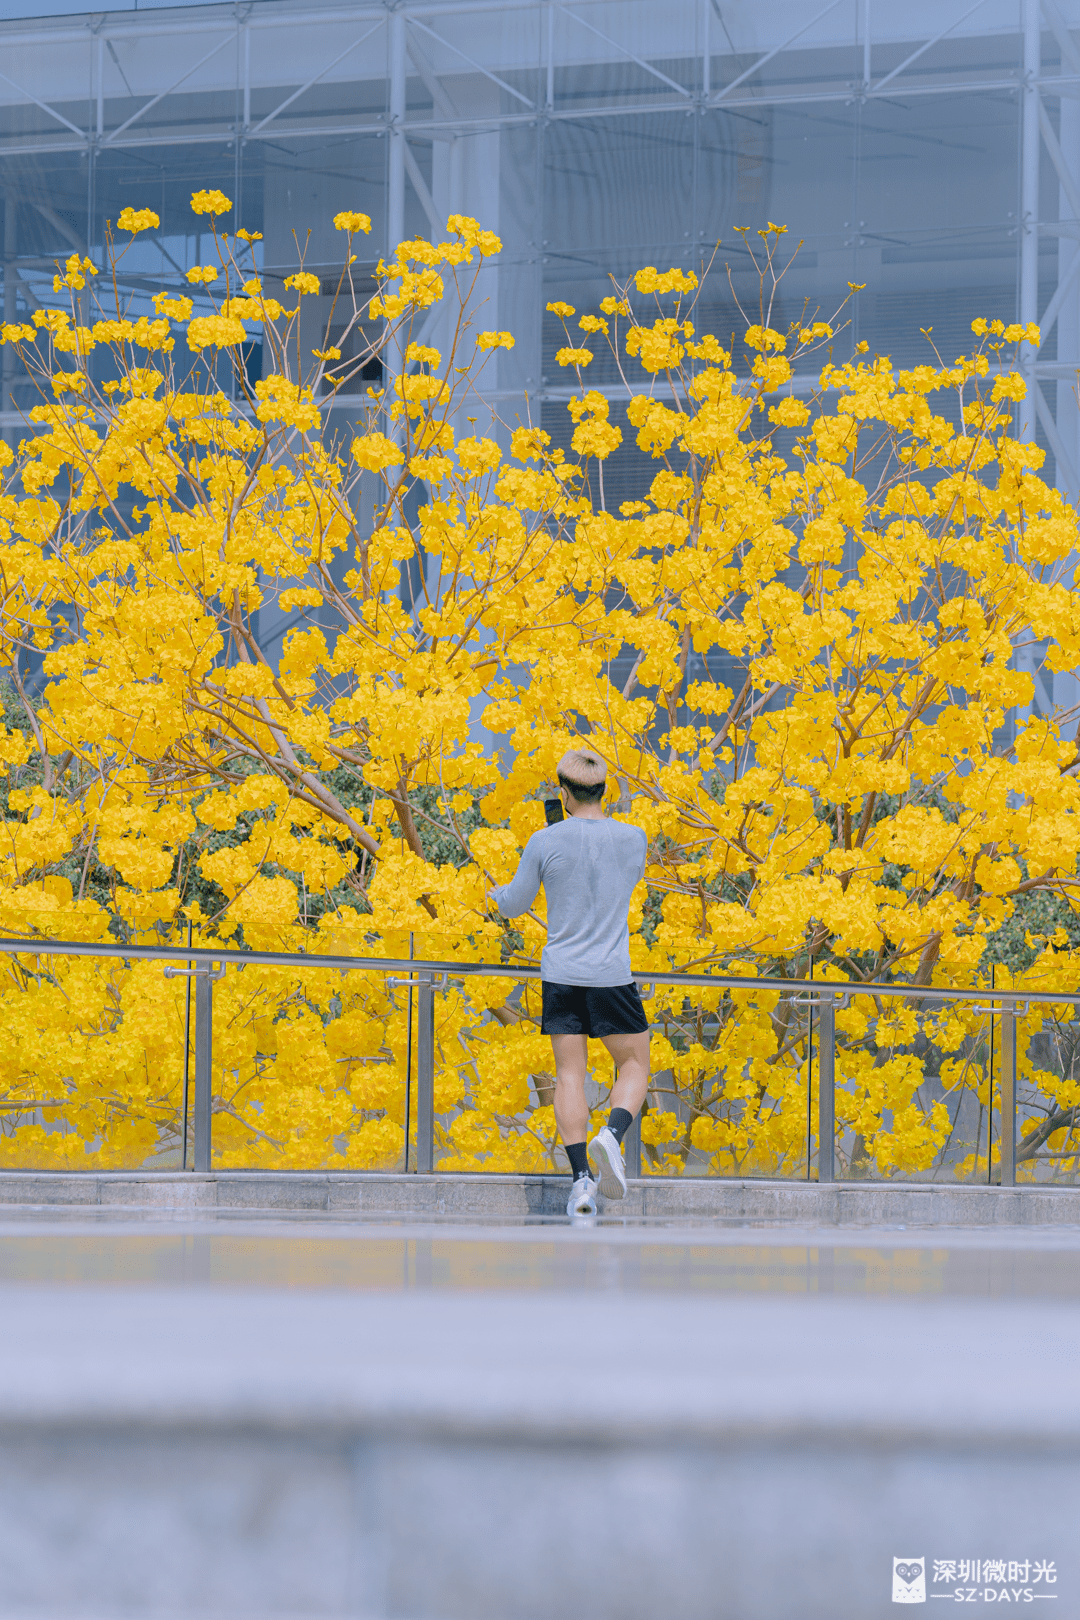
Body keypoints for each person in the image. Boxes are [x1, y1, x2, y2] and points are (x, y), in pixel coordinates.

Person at [488, 749, 650, 1217]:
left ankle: (581, 1181)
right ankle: (611, 1135)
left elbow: (514, 905)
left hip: (561, 974)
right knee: (635, 1064)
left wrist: (495, 895)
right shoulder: (634, 838)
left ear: (562, 792)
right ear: (606, 790)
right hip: (611, 974)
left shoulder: (545, 839)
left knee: (569, 1075)